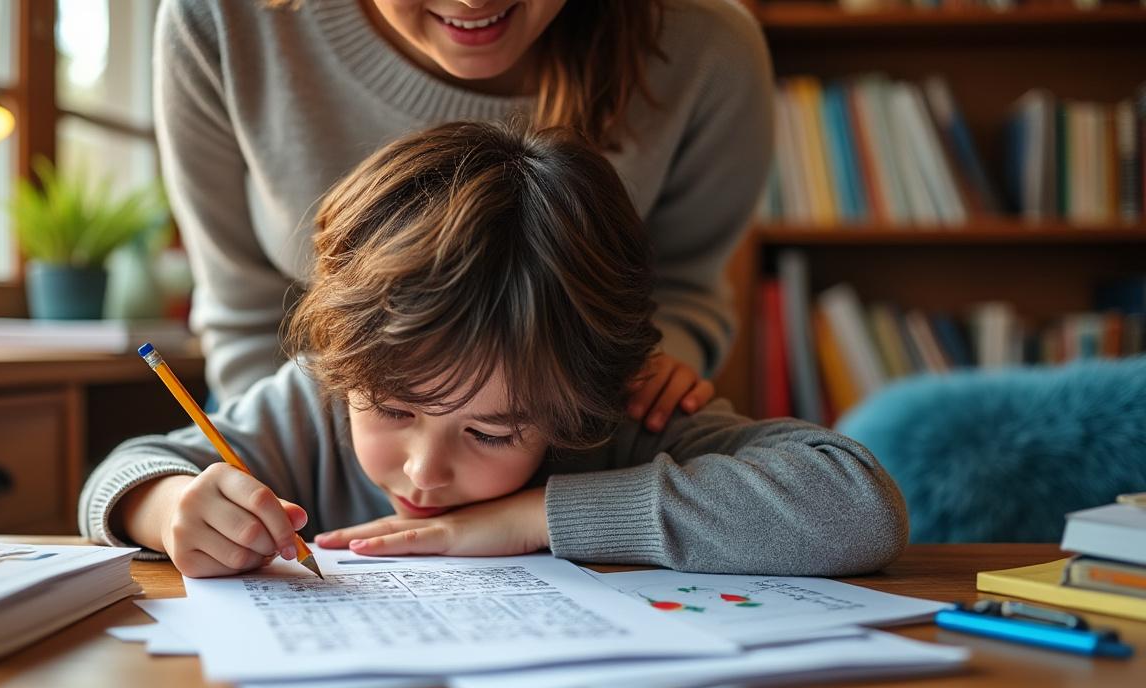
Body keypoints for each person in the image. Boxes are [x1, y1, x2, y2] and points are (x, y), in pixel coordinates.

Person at [80, 122, 906, 579]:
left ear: (577, 402)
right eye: (395, 410)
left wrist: (530, 520)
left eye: (492, 432)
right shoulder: (320, 398)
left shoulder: (617, 421)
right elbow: (122, 473)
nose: (424, 472)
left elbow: (856, 507)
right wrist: (164, 506)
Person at [154, 0, 774, 431]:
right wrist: (293, 468)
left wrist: (564, 487)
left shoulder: (708, 49)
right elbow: (245, 310)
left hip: (584, 427)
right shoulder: (220, 23)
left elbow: (687, 289)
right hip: (304, 428)